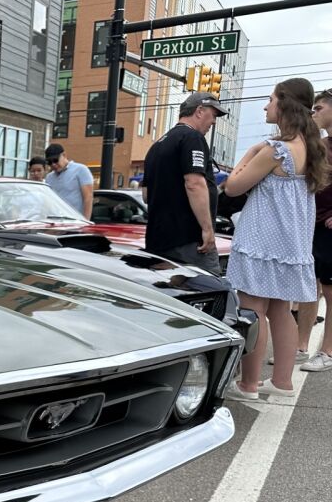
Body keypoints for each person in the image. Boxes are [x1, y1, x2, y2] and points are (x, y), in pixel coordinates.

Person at [223, 78, 330, 399]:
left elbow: (232, 187)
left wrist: (252, 151)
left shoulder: (275, 151)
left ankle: (248, 384)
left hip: (261, 243)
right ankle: (282, 381)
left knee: (252, 310)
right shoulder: (311, 149)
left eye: (270, 99)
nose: (266, 106)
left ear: (284, 104)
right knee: (281, 311)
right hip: (292, 246)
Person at [141, 92, 227, 274]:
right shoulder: (192, 138)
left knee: (168, 296)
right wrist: (207, 228)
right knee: (206, 292)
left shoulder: (156, 146)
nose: (214, 122)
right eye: (213, 115)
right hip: (189, 241)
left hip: (159, 240)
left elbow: (146, 196)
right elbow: (194, 183)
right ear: (199, 111)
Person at [298, 88, 332, 372]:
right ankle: (300, 347)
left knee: (330, 291)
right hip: (312, 223)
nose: (313, 114)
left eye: (319, 108)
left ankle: (328, 351)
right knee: (308, 288)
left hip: (329, 228)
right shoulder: (321, 144)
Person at [43, 143, 93, 217]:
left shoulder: (81, 170)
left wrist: (86, 221)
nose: (53, 164)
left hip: (76, 221)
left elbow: (88, 197)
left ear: (64, 155)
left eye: (55, 160)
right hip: (55, 220)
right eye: (49, 162)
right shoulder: (49, 177)